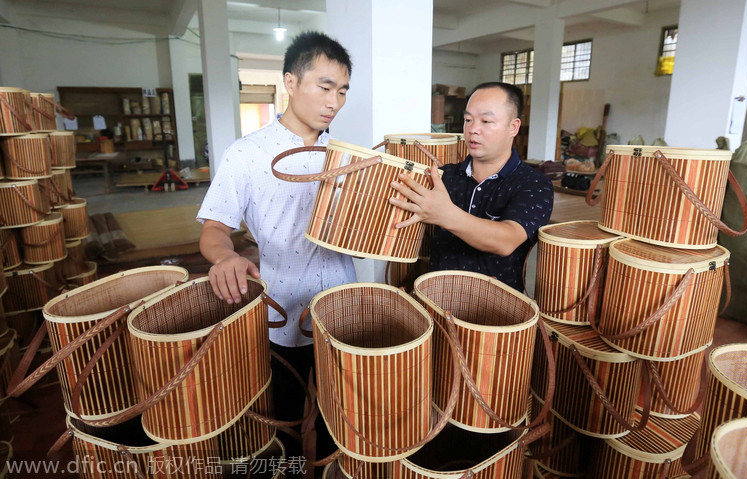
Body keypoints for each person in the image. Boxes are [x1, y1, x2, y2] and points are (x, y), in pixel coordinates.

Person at [196, 31, 354, 466]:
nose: (334, 101)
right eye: (324, 86)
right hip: (279, 310)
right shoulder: (246, 154)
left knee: (340, 418)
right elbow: (214, 229)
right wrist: (225, 255)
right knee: (280, 417)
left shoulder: (345, 157)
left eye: (342, 91)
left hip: (340, 308)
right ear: (290, 82)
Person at [389, 82, 553, 292]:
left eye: (486, 121)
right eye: (468, 120)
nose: (473, 129)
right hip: (436, 301)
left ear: (513, 127)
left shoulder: (534, 184)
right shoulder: (444, 177)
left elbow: (507, 240)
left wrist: (445, 214)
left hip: (496, 312)